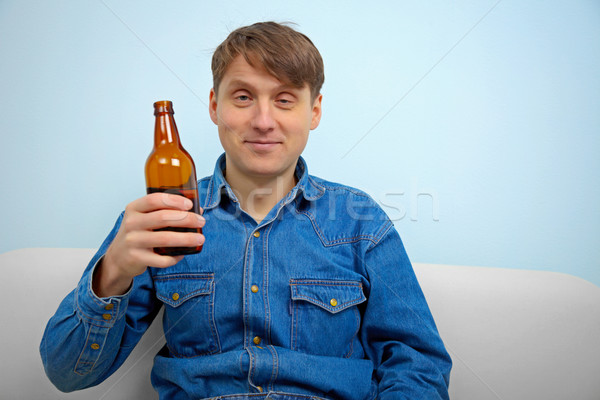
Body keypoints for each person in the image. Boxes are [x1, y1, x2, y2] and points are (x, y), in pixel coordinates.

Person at [41, 21, 452, 399]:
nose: (263, 120)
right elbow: (67, 374)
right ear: (214, 106)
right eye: (243, 97)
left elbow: (417, 363)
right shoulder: (163, 218)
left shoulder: (360, 220)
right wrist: (112, 271)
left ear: (315, 111)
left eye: (285, 100)